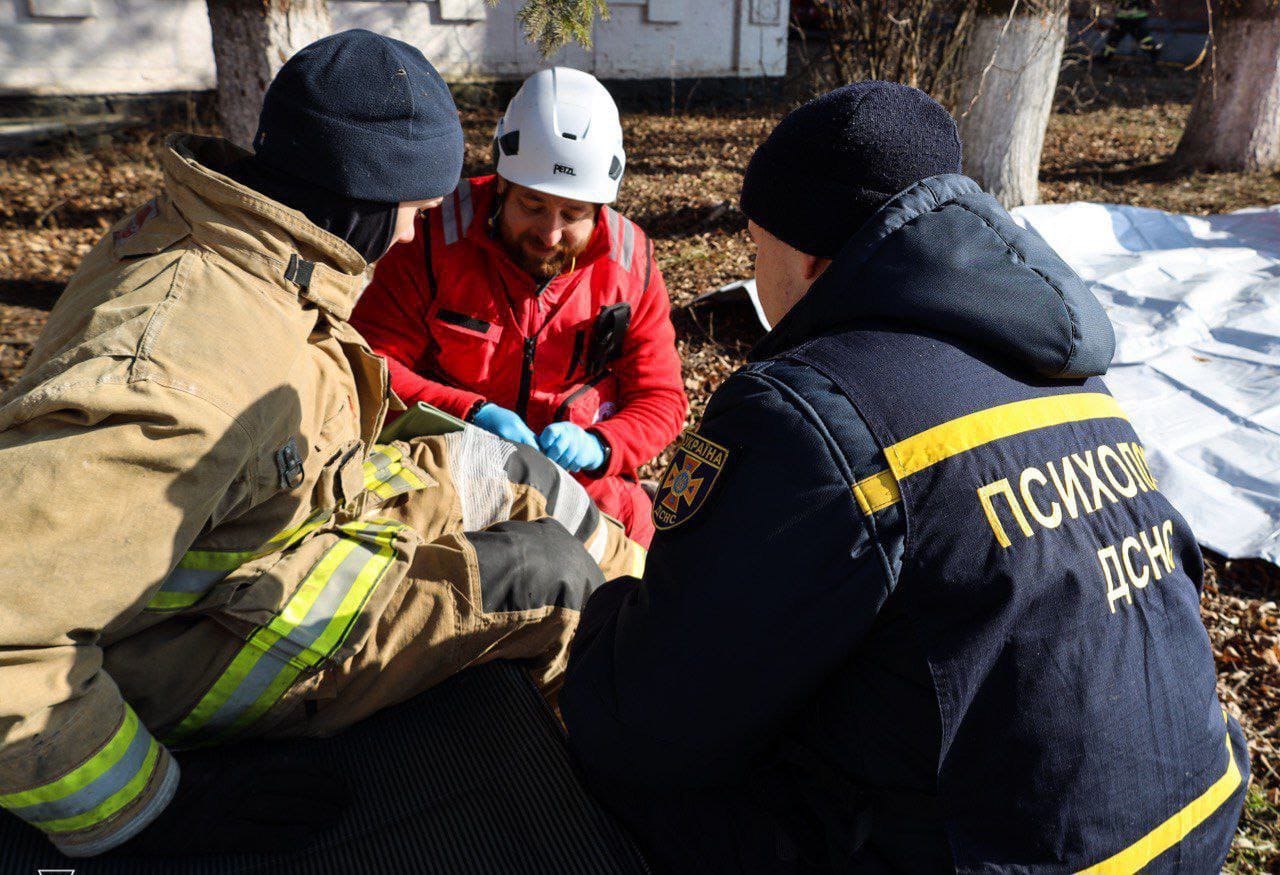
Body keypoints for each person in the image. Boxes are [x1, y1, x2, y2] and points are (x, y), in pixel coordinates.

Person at [560, 82, 1248, 873]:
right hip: (1193, 824)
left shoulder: (812, 413)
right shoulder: (1074, 377)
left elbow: (646, 722)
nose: (755, 275)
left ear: (814, 255)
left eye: (757, 249)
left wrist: (609, 602)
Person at [0, 30, 642, 859]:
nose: (412, 238)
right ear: (364, 194)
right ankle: (639, 807)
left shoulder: (259, 251)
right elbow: (12, 630)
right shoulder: (170, 370)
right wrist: (154, 808)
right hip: (190, 649)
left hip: (281, 529)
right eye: (410, 213)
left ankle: (680, 637)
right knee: (548, 581)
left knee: (513, 472)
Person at [351, 67, 688, 548]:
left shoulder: (631, 263)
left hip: (586, 487)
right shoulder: (434, 237)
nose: (549, 235)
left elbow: (662, 399)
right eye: (532, 204)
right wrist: (472, 412)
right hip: (448, 468)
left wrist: (601, 445)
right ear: (502, 184)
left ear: (600, 206)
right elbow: (369, 362)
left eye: (573, 215)